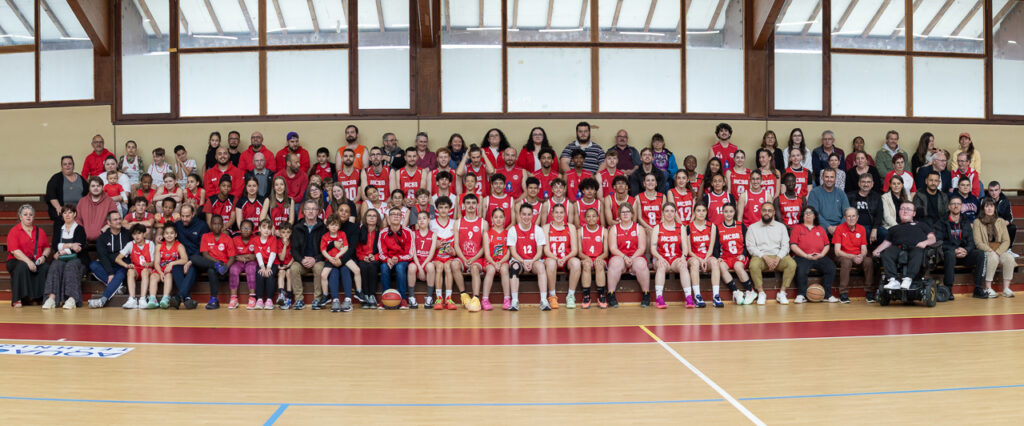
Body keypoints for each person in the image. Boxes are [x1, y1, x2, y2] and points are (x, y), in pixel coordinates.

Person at [872, 201, 937, 291]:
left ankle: (908, 279)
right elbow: (886, 242)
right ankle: (893, 280)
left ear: (914, 213)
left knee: (918, 252)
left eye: (908, 209)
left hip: (916, 247)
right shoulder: (894, 228)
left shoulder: (922, 225)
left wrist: (925, 243)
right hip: (898, 248)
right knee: (886, 253)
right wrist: (877, 250)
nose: (905, 211)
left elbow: (932, 238)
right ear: (899, 212)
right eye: (902, 209)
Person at [746, 202, 798, 304]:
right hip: (761, 257)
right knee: (753, 265)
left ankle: (782, 293)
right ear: (761, 212)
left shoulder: (781, 227)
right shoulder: (752, 228)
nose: (767, 213)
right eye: (764, 210)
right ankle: (761, 293)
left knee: (791, 264)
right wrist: (765, 257)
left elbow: (785, 246)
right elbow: (751, 247)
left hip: (778, 256)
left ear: (774, 212)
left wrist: (778, 258)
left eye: (769, 211)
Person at [41, 205, 87, 309]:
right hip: (62, 259)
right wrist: (70, 245)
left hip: (78, 259)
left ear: (75, 214)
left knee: (71, 266)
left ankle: (72, 299)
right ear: (62, 215)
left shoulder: (80, 229)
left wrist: (61, 251)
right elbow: (55, 245)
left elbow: (78, 248)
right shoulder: (59, 229)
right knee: (55, 266)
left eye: (70, 212)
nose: (67, 215)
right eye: (65, 213)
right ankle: (51, 299)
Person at [789, 207, 837, 303]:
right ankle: (801, 295)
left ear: (814, 215)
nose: (808, 214)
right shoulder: (797, 228)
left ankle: (827, 295)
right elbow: (793, 246)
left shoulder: (820, 229)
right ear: (803, 216)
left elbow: (827, 245)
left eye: (810, 212)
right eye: (806, 213)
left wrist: (821, 255)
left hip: (819, 256)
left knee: (831, 268)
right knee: (801, 270)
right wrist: (806, 256)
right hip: (802, 257)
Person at [941, 198, 986, 299]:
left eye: (958, 204)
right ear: (949, 206)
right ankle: (948, 289)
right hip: (948, 255)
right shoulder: (942, 221)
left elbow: (971, 241)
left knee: (980, 253)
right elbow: (939, 241)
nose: (956, 206)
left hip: (964, 254)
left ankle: (978, 288)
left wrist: (966, 250)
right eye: (953, 204)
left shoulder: (966, 221)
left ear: (961, 207)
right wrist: (954, 250)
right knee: (949, 254)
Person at [606, 203, 649, 307]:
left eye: (628, 212)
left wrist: (632, 258)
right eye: (623, 212)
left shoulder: (639, 228)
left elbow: (642, 248)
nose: (625, 214)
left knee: (641, 264)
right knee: (615, 263)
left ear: (632, 214)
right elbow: (613, 248)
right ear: (619, 215)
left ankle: (646, 294)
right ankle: (611, 294)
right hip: (619, 256)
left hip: (635, 256)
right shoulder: (614, 229)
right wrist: (625, 257)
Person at [508, 203, 548, 310]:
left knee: (541, 266)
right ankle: (514, 301)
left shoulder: (538, 230)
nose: (526, 217)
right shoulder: (513, 230)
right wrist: (523, 261)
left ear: (532, 216)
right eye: (524, 214)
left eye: (529, 214)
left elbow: (540, 252)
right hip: (519, 260)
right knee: (514, 267)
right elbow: (513, 252)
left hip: (534, 260)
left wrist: (531, 261)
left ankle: (544, 300)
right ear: (520, 215)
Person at [288, 200, 327, 310]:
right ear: (304, 211)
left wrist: (315, 259)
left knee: (319, 269)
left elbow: (326, 249)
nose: (311, 211)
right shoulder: (297, 227)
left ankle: (317, 299)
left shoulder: (323, 227)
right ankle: (299, 300)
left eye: (313, 209)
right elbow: (294, 249)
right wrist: (301, 259)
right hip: (302, 260)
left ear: (318, 212)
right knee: (294, 268)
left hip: (317, 260)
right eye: (308, 209)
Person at [190, 215, 235, 309]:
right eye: (214, 224)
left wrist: (225, 267)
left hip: (223, 269)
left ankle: (213, 299)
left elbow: (232, 257)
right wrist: (217, 263)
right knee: (194, 258)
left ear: (223, 225)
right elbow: (205, 254)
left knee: (211, 270)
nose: (217, 226)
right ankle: (216, 266)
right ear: (210, 225)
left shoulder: (227, 238)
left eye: (219, 224)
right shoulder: (205, 236)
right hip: (211, 264)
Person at [651, 204, 690, 309]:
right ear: (663, 213)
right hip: (662, 258)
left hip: (675, 258)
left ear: (675, 213)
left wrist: (683, 257)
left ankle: (688, 297)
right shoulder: (657, 228)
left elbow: (685, 248)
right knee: (661, 266)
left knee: (683, 265)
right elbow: (653, 249)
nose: (669, 213)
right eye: (667, 211)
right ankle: (659, 298)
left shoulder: (681, 227)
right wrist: (660, 257)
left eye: (672, 211)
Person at [974, 198, 1015, 298]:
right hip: (985, 249)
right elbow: (978, 242)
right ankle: (988, 288)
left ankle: (1006, 288)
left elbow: (1006, 241)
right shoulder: (977, 222)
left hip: (999, 249)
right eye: (987, 206)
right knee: (992, 257)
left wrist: (998, 252)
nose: (989, 208)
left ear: (994, 208)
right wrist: (991, 251)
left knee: (1009, 258)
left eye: (991, 206)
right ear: (983, 208)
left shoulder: (1001, 221)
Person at [166, 204, 205, 309]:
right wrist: (160, 237)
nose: (184, 219)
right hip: (183, 258)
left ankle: (179, 297)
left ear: (193, 214)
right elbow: (168, 232)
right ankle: (187, 298)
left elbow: (203, 248)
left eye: (187, 216)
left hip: (198, 259)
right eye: (182, 216)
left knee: (193, 268)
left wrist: (191, 261)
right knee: (175, 268)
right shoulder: (178, 225)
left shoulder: (202, 226)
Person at [87, 212, 129, 308]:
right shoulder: (102, 238)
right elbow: (102, 256)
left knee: (122, 272)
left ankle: (103, 300)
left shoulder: (127, 234)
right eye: (115, 219)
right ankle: (118, 287)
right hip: (109, 267)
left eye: (120, 219)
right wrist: (110, 273)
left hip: (123, 266)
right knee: (93, 265)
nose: (119, 221)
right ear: (109, 223)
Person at [832, 207, 873, 304]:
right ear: (845, 218)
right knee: (846, 262)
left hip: (857, 256)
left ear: (857, 217)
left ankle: (869, 292)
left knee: (868, 261)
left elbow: (864, 249)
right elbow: (837, 251)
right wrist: (852, 257)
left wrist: (861, 256)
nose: (851, 219)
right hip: (843, 256)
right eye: (849, 216)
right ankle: (843, 293)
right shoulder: (839, 228)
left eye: (853, 216)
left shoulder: (862, 229)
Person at [543, 204, 581, 308]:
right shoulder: (546, 227)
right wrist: (556, 259)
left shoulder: (571, 227)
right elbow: (546, 250)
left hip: (566, 258)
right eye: (556, 212)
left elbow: (575, 250)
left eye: (561, 212)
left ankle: (571, 296)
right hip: (552, 258)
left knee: (576, 263)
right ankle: (552, 296)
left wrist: (564, 258)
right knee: (551, 263)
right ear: (552, 213)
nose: (559, 215)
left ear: (565, 214)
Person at [453, 194, 487, 308]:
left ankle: (476, 298)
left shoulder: (483, 223)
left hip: (477, 258)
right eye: (468, 203)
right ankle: (464, 295)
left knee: (474, 268)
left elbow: (484, 246)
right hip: (463, 257)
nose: (471, 205)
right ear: (463, 205)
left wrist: (473, 258)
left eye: (473, 203)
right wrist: (464, 259)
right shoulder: (458, 222)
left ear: (477, 205)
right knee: (454, 264)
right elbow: (456, 245)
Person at [377, 209, 416, 308]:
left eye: (398, 214)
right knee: (384, 268)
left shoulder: (408, 232)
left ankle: (403, 299)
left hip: (402, 259)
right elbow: (381, 252)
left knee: (399, 267)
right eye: (393, 214)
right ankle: (385, 298)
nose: (396, 216)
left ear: (402, 217)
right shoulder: (383, 232)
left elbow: (410, 253)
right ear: (389, 217)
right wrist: (388, 259)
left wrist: (398, 258)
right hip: (388, 259)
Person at [717, 204, 754, 305]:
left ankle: (750, 291)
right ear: (722, 212)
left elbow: (748, 243)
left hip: (739, 256)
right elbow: (716, 245)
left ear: (734, 213)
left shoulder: (740, 225)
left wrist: (744, 254)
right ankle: (736, 292)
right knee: (720, 266)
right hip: (726, 257)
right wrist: (718, 257)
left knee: (737, 266)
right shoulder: (718, 228)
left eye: (731, 211)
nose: (728, 214)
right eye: (726, 211)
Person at [114, 224, 156, 309]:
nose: (136, 236)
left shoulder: (150, 244)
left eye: (139, 233)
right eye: (134, 234)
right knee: (130, 271)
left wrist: (148, 264)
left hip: (148, 269)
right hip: (137, 269)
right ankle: (132, 299)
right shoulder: (130, 244)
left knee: (145, 271)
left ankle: (142, 299)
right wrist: (126, 265)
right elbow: (117, 259)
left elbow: (154, 262)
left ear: (144, 234)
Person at [686, 204, 720, 308]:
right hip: (693, 256)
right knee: (695, 263)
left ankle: (716, 296)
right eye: (698, 210)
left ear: (706, 212)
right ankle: (697, 296)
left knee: (715, 262)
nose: (701, 213)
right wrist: (700, 260)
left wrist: (705, 259)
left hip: (707, 256)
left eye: (703, 210)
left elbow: (711, 248)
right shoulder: (688, 227)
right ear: (694, 213)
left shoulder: (712, 226)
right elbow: (688, 250)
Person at [151, 224, 189, 309]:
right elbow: (156, 263)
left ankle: (165, 298)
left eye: (171, 233)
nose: (169, 235)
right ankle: (152, 299)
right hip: (160, 269)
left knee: (168, 276)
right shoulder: (159, 246)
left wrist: (172, 264)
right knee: (153, 276)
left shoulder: (179, 245)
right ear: (163, 235)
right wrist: (160, 273)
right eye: (167, 233)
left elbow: (185, 259)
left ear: (175, 235)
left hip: (170, 270)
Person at [46, 156, 88, 231]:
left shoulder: (80, 178)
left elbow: (87, 193)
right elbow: (51, 194)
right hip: (63, 210)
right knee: (61, 218)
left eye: (70, 164)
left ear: (73, 165)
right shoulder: (56, 178)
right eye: (65, 164)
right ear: (62, 166)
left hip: (79, 211)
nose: (67, 166)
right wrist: (58, 207)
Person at [318, 214, 351, 311]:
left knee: (352, 270)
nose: (334, 227)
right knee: (323, 275)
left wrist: (338, 255)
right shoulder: (325, 236)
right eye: (332, 225)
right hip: (330, 259)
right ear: (327, 226)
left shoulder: (342, 234)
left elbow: (346, 247)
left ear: (339, 226)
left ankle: (349, 299)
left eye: (336, 225)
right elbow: (323, 250)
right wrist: (330, 258)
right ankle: (326, 296)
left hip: (341, 259)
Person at [578, 206, 609, 308]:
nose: (591, 218)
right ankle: (586, 296)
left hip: (600, 257)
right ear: (585, 218)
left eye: (593, 216)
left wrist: (598, 258)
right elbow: (579, 252)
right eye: (588, 216)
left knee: (599, 265)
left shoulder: (604, 231)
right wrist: (586, 258)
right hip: (585, 258)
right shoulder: (580, 231)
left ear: (598, 217)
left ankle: (601, 296)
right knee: (586, 265)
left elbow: (606, 252)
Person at [482, 207, 511, 310]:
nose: (498, 219)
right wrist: (494, 263)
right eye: (496, 217)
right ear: (492, 219)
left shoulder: (508, 233)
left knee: (504, 269)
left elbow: (508, 253)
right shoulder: (487, 234)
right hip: (490, 261)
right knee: (491, 270)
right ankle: (485, 299)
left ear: (504, 219)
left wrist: (500, 262)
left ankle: (507, 299)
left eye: (501, 217)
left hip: (503, 261)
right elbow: (487, 254)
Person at [408, 211, 437, 310]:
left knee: (431, 266)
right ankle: (411, 297)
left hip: (427, 262)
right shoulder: (413, 234)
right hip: (417, 262)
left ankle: (429, 297)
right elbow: (413, 253)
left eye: (424, 218)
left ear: (429, 220)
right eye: (419, 218)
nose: (421, 220)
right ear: (417, 221)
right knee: (411, 267)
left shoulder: (433, 234)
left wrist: (423, 266)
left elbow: (431, 254)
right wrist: (420, 268)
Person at [249, 220, 282, 310]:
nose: (266, 230)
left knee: (270, 274)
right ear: (259, 229)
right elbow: (258, 254)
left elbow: (273, 254)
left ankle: (269, 300)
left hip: (273, 263)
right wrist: (262, 267)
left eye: (269, 228)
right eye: (264, 227)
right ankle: (259, 299)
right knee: (260, 274)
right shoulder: (256, 240)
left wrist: (268, 267)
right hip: (262, 263)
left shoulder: (273, 239)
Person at [807, 169, 850, 234]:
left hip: (839, 227)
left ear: (835, 178)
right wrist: (828, 226)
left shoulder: (841, 193)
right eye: (827, 177)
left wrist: (839, 228)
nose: (829, 179)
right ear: (822, 177)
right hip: (820, 227)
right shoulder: (814, 192)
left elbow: (847, 213)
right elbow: (813, 213)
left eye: (832, 177)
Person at [76, 177, 119, 242]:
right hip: (83, 239)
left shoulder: (109, 201)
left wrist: (105, 228)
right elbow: (77, 219)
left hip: (104, 239)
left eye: (98, 186)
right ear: (89, 188)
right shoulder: (82, 201)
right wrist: (82, 232)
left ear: (102, 187)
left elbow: (114, 218)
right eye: (93, 186)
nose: (96, 188)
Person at [355, 210, 382, 308]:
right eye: (369, 215)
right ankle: (365, 295)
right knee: (362, 266)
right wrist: (363, 257)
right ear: (365, 218)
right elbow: (357, 248)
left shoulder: (381, 231)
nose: (371, 217)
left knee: (372, 266)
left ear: (377, 219)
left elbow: (384, 249)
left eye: (374, 216)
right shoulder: (360, 230)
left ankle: (372, 295)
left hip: (376, 258)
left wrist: (375, 257)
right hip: (363, 257)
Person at [228, 220, 257, 309]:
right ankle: (233, 298)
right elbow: (233, 255)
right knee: (233, 269)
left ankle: (252, 297)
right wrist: (247, 256)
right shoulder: (234, 239)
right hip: (238, 262)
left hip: (252, 262)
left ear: (252, 230)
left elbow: (255, 256)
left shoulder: (256, 239)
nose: (246, 230)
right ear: (240, 229)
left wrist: (243, 257)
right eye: (244, 228)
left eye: (248, 228)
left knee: (251, 269)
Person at [848, 174, 883, 243]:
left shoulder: (877, 197)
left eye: (868, 182)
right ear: (859, 183)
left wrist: (874, 229)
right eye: (863, 182)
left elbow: (879, 214)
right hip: (855, 226)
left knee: (886, 234)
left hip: (872, 226)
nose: (866, 184)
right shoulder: (850, 196)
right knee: (866, 232)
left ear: (872, 184)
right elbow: (846, 213)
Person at [986, 181, 1016, 254]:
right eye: (991, 190)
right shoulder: (984, 200)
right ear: (988, 191)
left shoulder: (1005, 201)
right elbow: (981, 216)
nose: (994, 193)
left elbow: (1010, 217)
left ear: (1000, 190)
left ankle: (1008, 250)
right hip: (989, 225)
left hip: (1001, 224)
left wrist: (1004, 223)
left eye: (996, 190)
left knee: (1012, 227)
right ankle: (988, 250)